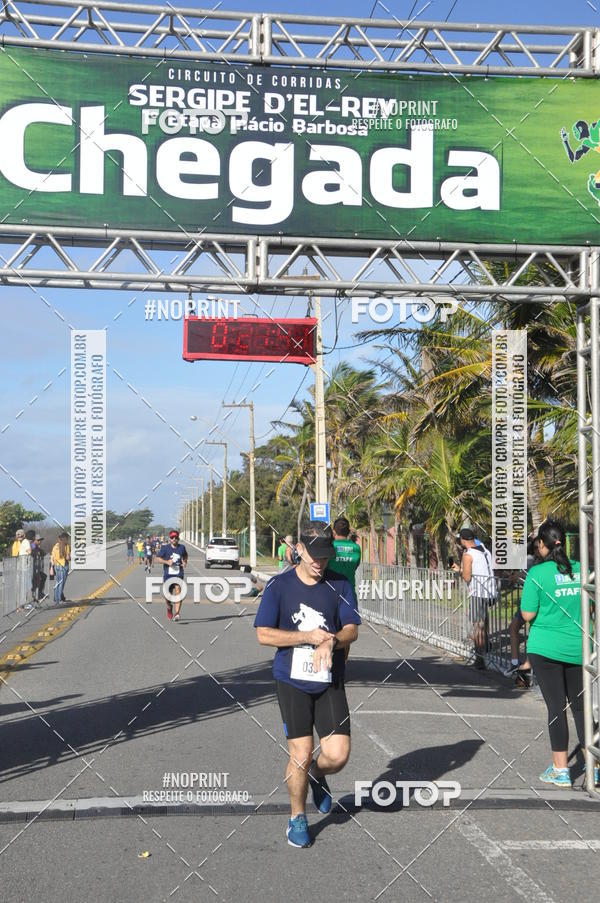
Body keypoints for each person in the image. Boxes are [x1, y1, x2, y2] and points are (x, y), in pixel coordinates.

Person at [254, 521, 361, 849]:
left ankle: (318, 774)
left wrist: (332, 642)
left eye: (325, 557)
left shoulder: (340, 584)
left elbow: (352, 628)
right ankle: (297, 817)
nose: (319, 562)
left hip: (330, 678)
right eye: (313, 555)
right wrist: (305, 637)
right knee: (299, 754)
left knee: (338, 755)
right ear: (298, 550)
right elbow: (263, 634)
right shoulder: (279, 586)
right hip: (292, 681)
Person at [521, 520, 595, 788]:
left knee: (556, 708)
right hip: (579, 648)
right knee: (582, 708)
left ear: (541, 544)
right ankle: (593, 766)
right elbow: (591, 609)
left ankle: (561, 769)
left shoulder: (537, 574)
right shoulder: (583, 570)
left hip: (546, 649)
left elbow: (528, 614)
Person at [451, 528, 495, 670]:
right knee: (484, 621)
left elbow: (467, 577)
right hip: (490, 590)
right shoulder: (484, 549)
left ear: (463, 540)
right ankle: (486, 647)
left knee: (478, 625)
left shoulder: (468, 555)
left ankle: (479, 658)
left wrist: (459, 570)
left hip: (478, 592)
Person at [156, 530, 188, 621]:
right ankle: (169, 607)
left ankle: (177, 614)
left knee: (178, 591)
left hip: (179, 574)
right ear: (169, 539)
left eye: (176, 537)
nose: (174, 539)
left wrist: (184, 562)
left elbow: (185, 556)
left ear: (178, 538)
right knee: (167, 596)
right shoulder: (165, 548)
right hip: (168, 575)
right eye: (172, 537)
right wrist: (166, 562)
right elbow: (158, 558)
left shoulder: (182, 547)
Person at [328, 517, 361, 592]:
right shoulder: (356, 548)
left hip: (331, 591)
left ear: (334, 532)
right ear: (348, 531)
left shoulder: (330, 546)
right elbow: (355, 566)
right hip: (349, 592)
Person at [51, 532, 71, 604]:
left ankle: (56, 598)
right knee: (61, 583)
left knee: (58, 583)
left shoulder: (56, 546)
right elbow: (67, 558)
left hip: (57, 566)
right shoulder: (66, 546)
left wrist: (52, 566)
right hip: (63, 566)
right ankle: (59, 600)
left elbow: (52, 557)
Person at [30, 533, 46, 603]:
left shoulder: (36, 547)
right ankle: (34, 596)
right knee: (35, 581)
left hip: (36, 567)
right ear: (34, 540)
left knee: (43, 577)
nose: (40, 541)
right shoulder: (32, 546)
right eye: (38, 540)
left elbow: (42, 552)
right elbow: (34, 552)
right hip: (31, 567)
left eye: (40, 540)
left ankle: (39, 593)